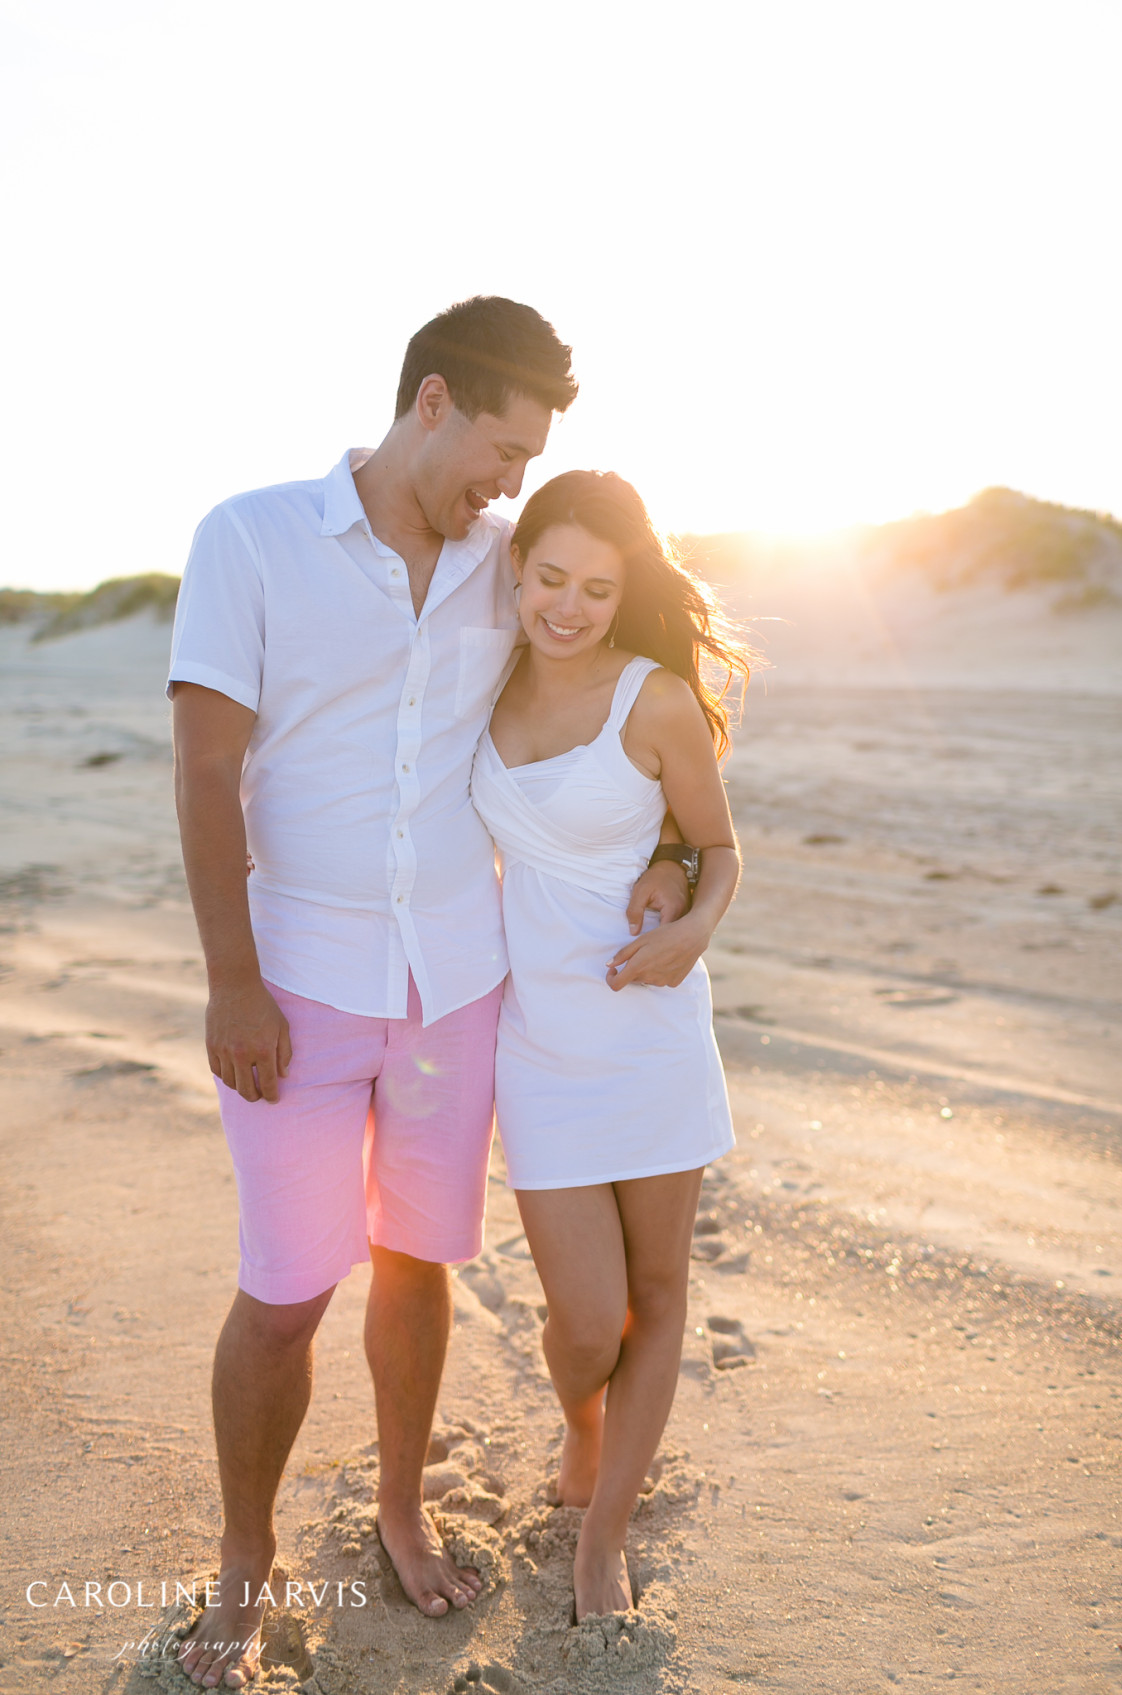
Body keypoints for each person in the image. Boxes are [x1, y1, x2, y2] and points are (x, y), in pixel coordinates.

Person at [167, 300, 692, 1691]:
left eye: (528, 465)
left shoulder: (498, 565)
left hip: (458, 987)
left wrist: (682, 852)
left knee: (418, 1262)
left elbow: (618, 691)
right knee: (283, 1290)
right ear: (436, 399)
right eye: (503, 451)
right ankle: (243, 1556)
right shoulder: (252, 537)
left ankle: (401, 1505)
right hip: (291, 987)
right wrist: (231, 981)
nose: (509, 486)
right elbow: (206, 773)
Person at [470, 469, 750, 1622]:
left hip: (648, 1033)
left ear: (623, 590)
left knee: (657, 1288)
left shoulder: (655, 701)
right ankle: (580, 1421)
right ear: (517, 569)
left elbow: (718, 844)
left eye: (596, 587)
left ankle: (602, 1535)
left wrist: (688, 920)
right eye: (549, 579)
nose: (568, 607)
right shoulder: (471, 682)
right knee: (584, 1321)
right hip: (536, 1043)